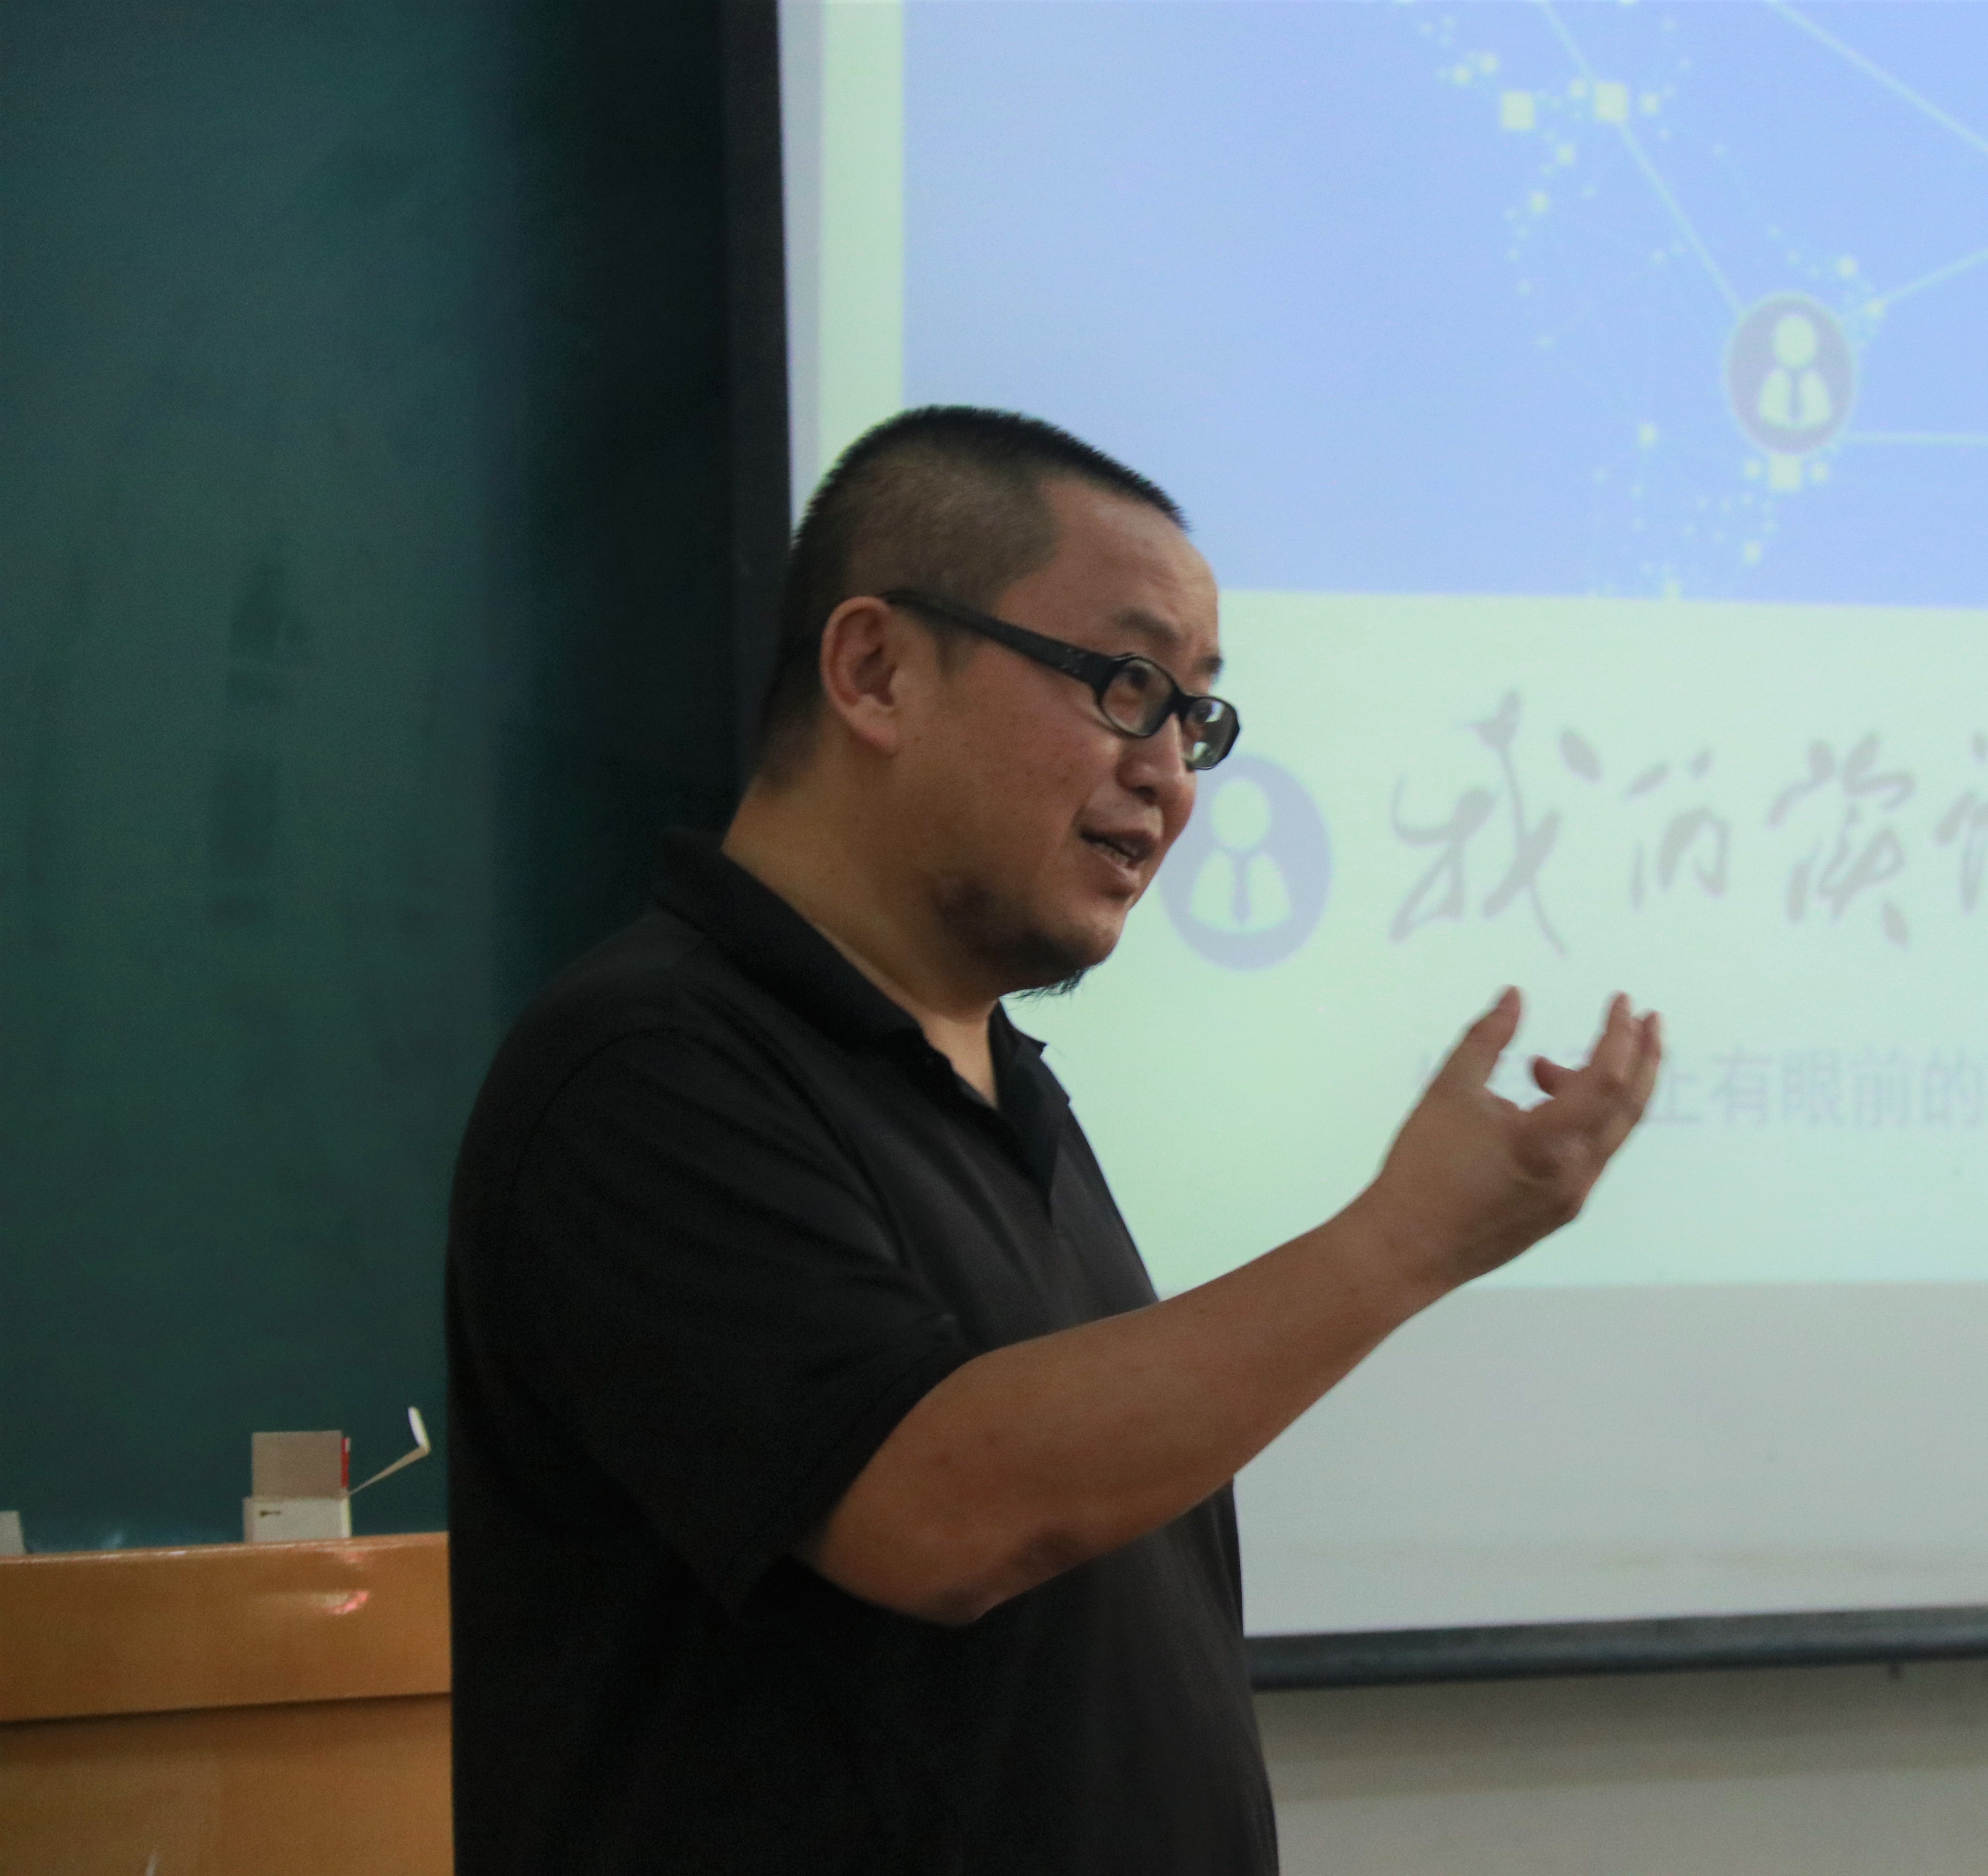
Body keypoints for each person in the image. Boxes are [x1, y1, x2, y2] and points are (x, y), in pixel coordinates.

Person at [444, 407, 1661, 1874]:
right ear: (877, 672)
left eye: (1198, 718)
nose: (1173, 777)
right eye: (1128, 686)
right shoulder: (647, 1069)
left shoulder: (1001, 1094)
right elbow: (938, 1513)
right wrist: (1403, 1241)